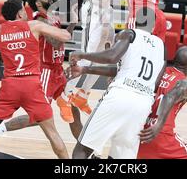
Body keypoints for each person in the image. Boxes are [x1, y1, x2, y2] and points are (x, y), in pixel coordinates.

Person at [0, 0, 71, 159]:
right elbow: (65, 36)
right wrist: (50, 21)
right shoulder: (33, 25)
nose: (26, 13)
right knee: (52, 134)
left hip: (10, 86)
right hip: (32, 85)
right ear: (20, 13)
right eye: (24, 10)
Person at [66, 8, 166, 159]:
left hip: (120, 95)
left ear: (134, 20)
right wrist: (85, 69)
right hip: (143, 103)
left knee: (83, 149)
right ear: (153, 26)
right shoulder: (161, 47)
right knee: (121, 156)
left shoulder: (129, 34)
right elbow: (154, 82)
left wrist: (81, 54)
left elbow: (112, 57)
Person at [0, 0, 84, 139]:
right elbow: (57, 42)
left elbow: (67, 29)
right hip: (46, 72)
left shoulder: (52, 17)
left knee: (72, 109)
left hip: (57, 71)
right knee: (39, 116)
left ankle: (86, 152)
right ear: (38, 3)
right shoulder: (40, 20)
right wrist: (70, 26)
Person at [137, 46, 187, 159]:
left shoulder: (157, 72)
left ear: (174, 59)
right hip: (159, 134)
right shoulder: (185, 84)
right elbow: (169, 97)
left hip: (139, 132)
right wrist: (159, 124)